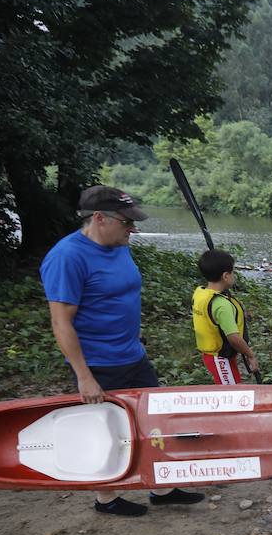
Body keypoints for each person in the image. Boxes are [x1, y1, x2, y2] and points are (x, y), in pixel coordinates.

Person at [41, 185, 205, 517]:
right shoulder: (67, 257)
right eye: (126, 222)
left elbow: (121, 296)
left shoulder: (119, 246)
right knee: (105, 431)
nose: (132, 229)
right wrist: (84, 377)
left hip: (132, 355)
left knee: (153, 422)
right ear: (99, 218)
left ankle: (161, 488)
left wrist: (135, 338)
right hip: (99, 364)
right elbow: (61, 323)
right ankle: (106, 499)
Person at [192, 249, 258, 384]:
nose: (234, 275)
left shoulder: (202, 293)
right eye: (232, 272)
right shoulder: (221, 305)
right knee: (231, 392)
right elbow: (234, 338)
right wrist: (250, 355)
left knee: (234, 384)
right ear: (226, 276)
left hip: (215, 356)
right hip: (219, 358)